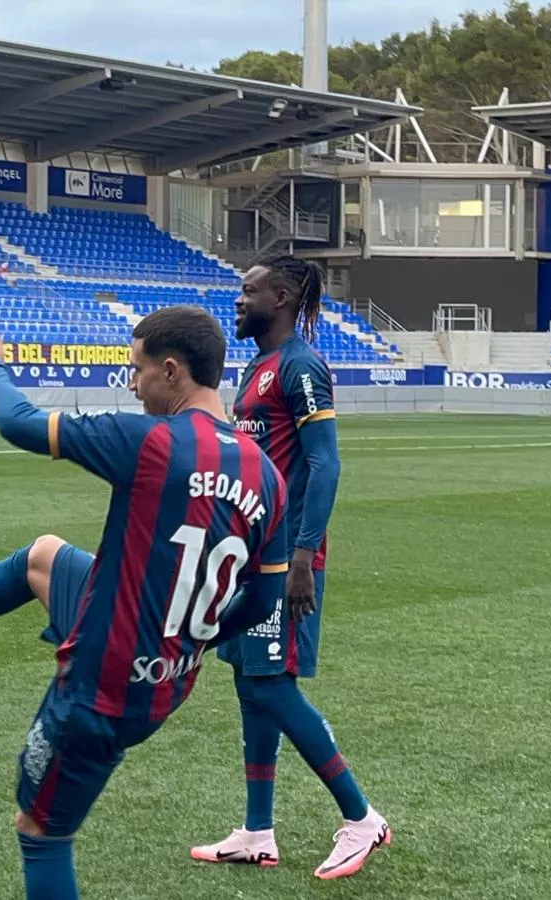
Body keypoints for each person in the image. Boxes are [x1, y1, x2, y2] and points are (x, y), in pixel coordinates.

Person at [0, 305, 289, 900]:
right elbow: (262, 597)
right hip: (169, 673)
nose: (132, 385)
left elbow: (19, 422)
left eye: (136, 371)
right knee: (42, 559)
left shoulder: (152, 442)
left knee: (41, 829)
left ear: (171, 371)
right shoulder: (267, 475)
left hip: (103, 688)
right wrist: (190, 638)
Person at [190, 255, 389, 879]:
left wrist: (304, 556)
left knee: (273, 685)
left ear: (279, 296)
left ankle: (361, 818)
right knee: (251, 687)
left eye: (248, 291)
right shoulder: (259, 367)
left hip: (285, 560)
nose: (239, 299)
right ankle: (256, 830)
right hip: (251, 557)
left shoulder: (301, 366)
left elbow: (325, 464)